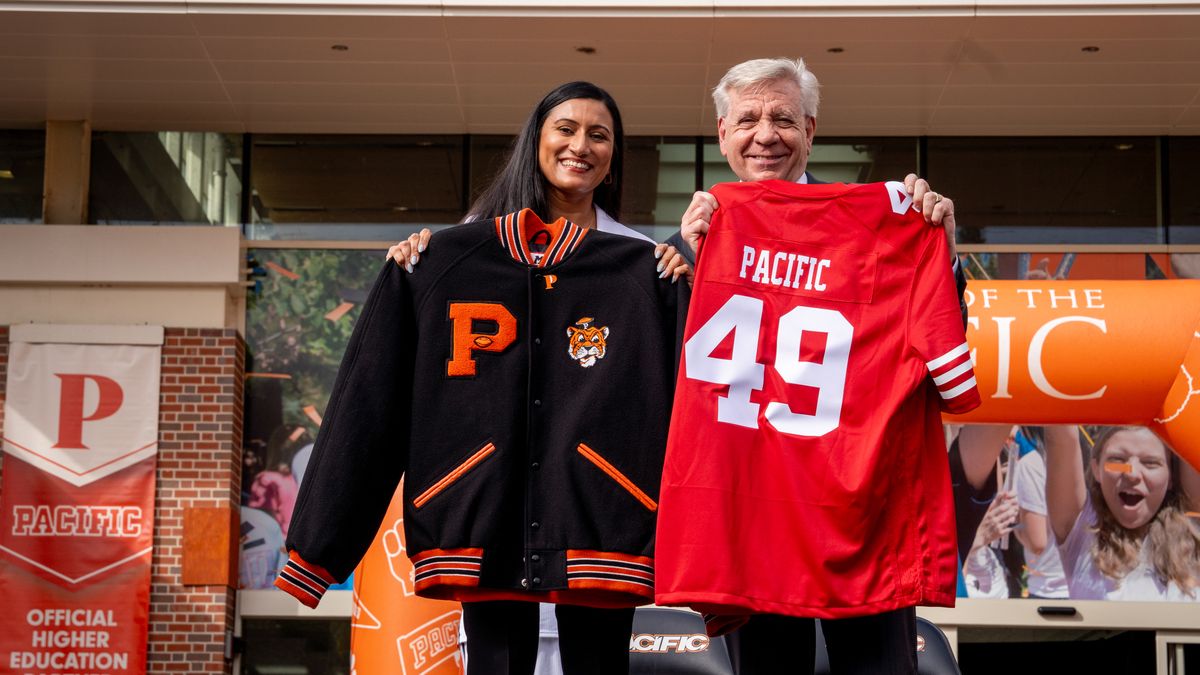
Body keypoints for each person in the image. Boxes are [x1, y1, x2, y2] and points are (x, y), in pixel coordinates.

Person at [664, 57, 965, 675]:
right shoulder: (685, 243)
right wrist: (687, 277)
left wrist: (938, 251)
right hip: (751, 513)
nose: (765, 135)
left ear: (811, 129)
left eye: (783, 119)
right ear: (722, 134)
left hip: (859, 503)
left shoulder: (886, 224)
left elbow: (939, 343)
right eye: (747, 119)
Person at [383, 80, 687, 675]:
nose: (582, 145)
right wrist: (419, 262)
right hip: (488, 518)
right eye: (566, 129)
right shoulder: (460, 251)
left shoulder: (641, 261)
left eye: (600, 135)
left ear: (614, 156)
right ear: (536, 141)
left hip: (601, 521)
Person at [1045, 425, 1200, 600]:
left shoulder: (1192, 531)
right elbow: (1060, 436)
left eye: (1150, 463)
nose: (1132, 474)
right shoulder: (1083, 529)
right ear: (1097, 469)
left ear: (1171, 476)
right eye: (1117, 460)